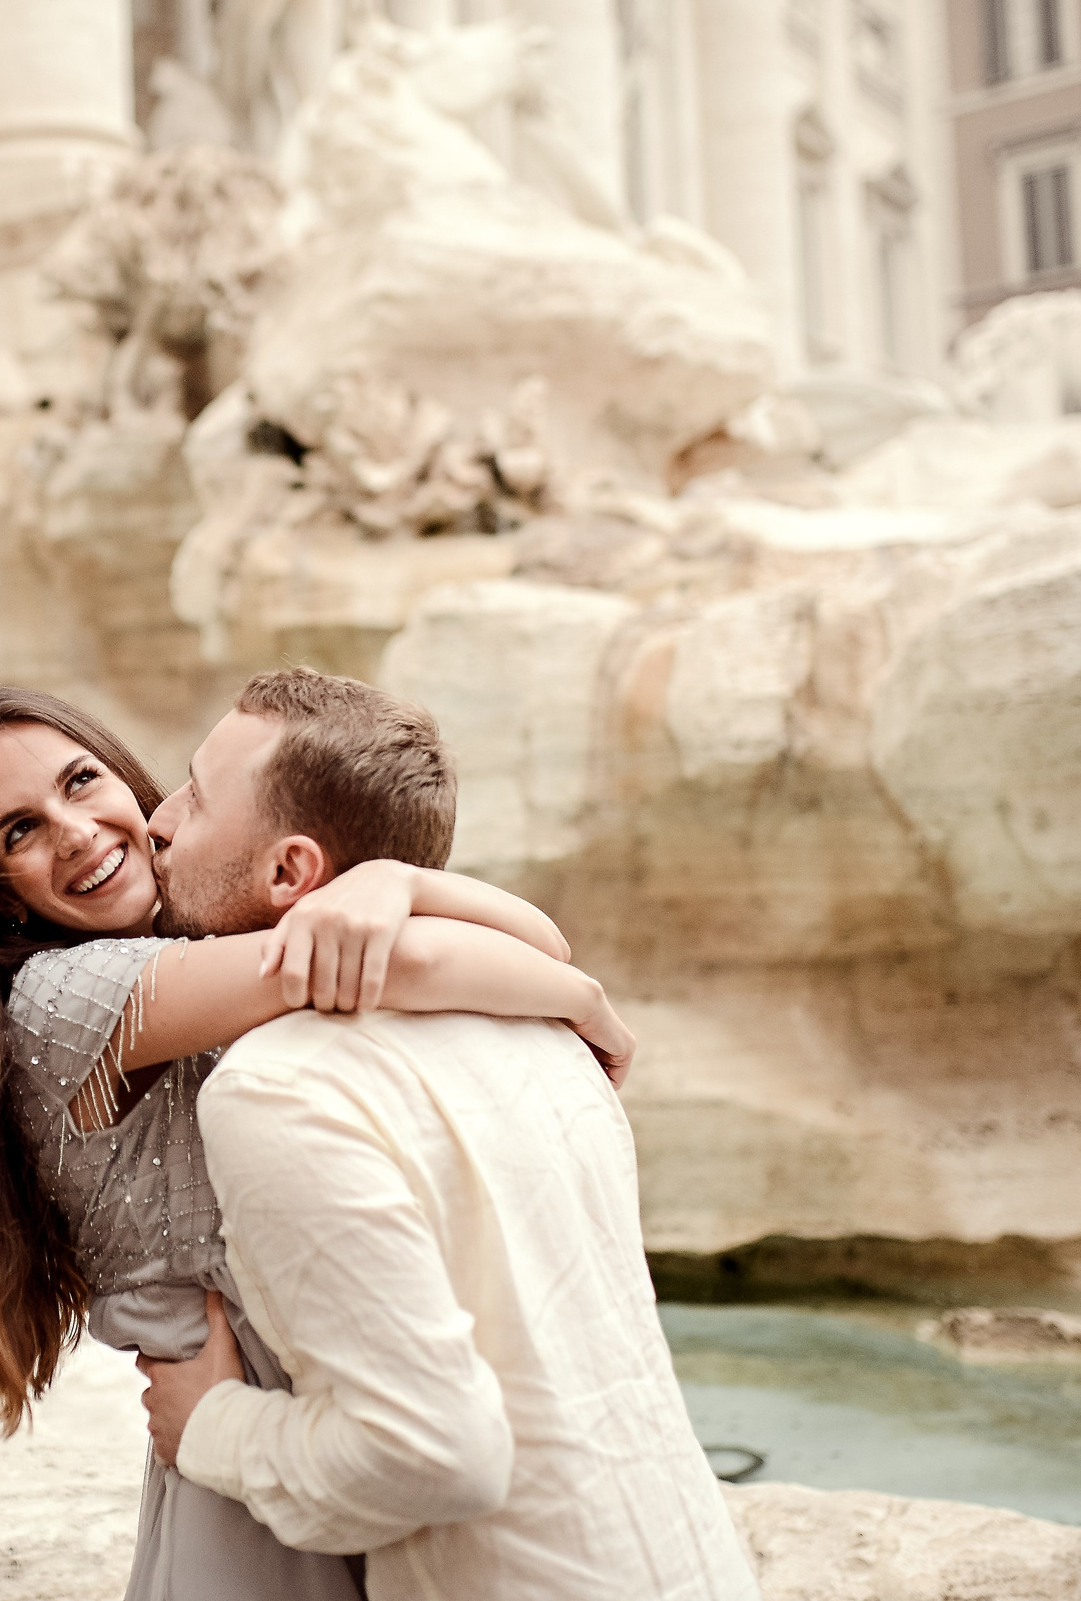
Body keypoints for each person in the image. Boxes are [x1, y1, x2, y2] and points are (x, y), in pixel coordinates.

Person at [0, 683, 632, 1601]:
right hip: (243, 1461)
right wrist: (578, 997)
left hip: (322, 1416)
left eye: (81, 781)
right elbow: (426, 956)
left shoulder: (205, 940)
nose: (74, 830)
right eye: (19, 832)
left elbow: (498, 935)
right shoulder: (59, 1001)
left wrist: (395, 880)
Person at [137, 668, 760, 1598]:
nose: (159, 818)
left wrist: (212, 1425)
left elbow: (434, 1453)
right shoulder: (545, 1028)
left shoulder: (280, 1087)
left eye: (195, 791)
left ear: (291, 873)